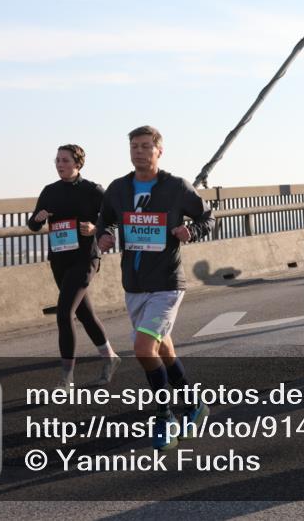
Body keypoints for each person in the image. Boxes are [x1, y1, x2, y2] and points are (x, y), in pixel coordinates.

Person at [96, 125, 214, 450]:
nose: (139, 151)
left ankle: (165, 417)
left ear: (159, 151)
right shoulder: (119, 188)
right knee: (163, 350)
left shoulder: (176, 187)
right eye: (134, 146)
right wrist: (103, 235)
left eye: (146, 146)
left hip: (167, 283)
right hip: (134, 283)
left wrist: (192, 231)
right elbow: (105, 219)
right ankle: (194, 405)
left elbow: (207, 218)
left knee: (143, 349)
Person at [28, 144, 119, 389]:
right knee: (84, 314)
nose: (60, 164)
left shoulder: (92, 190)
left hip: (85, 259)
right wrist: (37, 219)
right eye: (57, 160)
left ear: (77, 163)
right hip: (59, 259)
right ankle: (110, 357)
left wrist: (95, 228)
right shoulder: (50, 191)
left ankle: (66, 378)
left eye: (65, 160)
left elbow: (113, 218)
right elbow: (33, 225)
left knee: (64, 313)